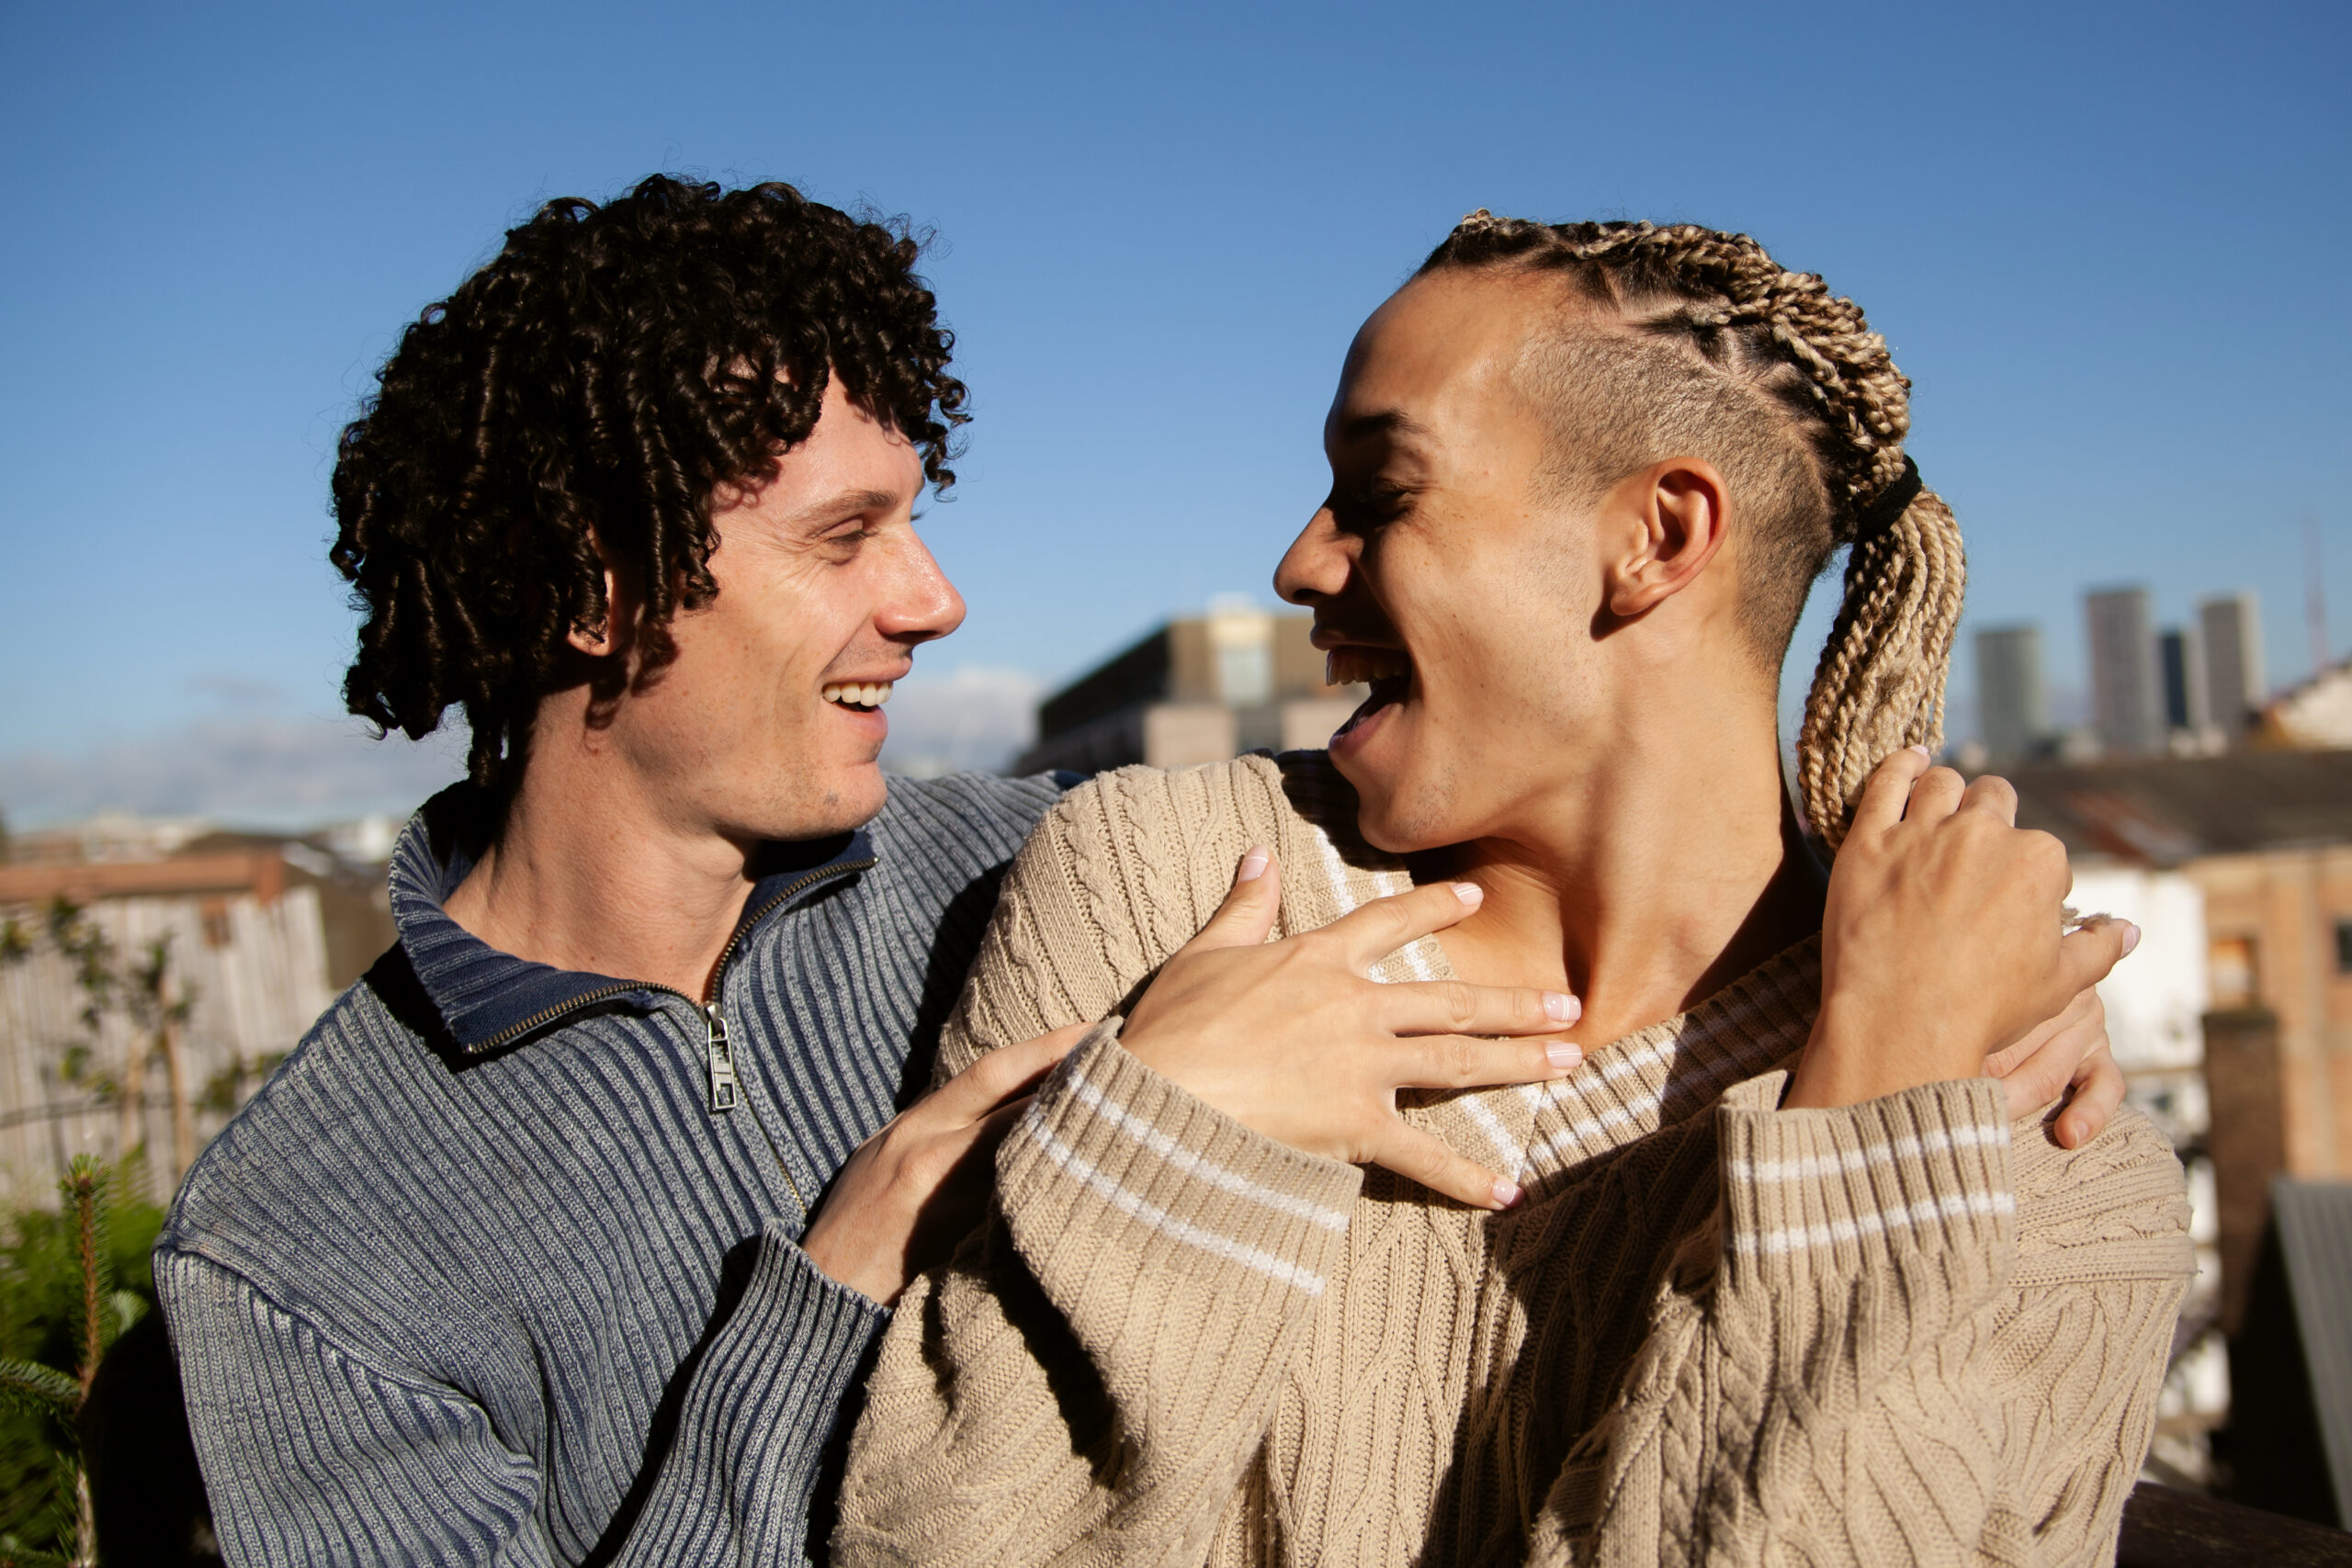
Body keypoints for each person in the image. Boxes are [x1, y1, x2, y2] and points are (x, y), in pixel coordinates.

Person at [152, 176, 1611, 1568]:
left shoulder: (1067, 865)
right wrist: (831, 1296)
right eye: (846, 536)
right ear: (593, 589)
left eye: (914, 520)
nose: (935, 600)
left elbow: (1556, 785)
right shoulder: (288, 1253)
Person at [833, 216, 2189, 1566]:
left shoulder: (2055, 1157)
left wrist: (1884, 1120)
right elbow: (931, 1539)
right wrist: (1178, 1145)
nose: (1298, 565)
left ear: (1657, 536)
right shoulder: (1167, 880)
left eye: (1380, 493)